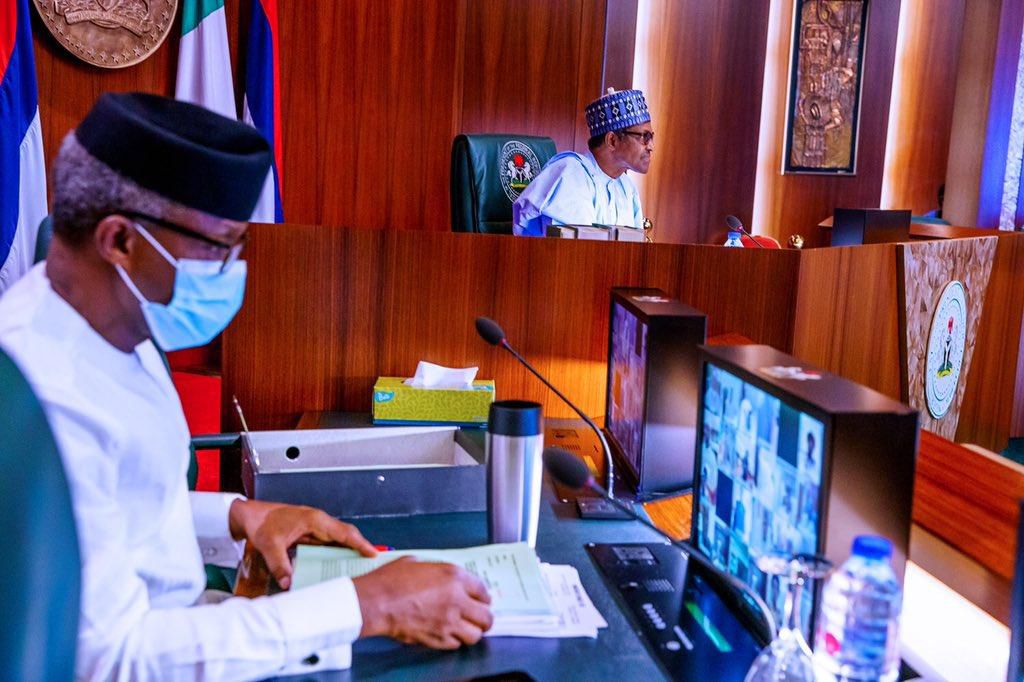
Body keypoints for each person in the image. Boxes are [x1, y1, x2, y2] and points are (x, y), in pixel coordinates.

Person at [0, 93, 492, 680]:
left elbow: (115, 507)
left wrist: (238, 515)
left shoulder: (113, 323)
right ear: (120, 241)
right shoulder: (41, 397)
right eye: (216, 248)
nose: (233, 269)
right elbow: (111, 659)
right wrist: (369, 605)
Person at [512, 87, 653, 236]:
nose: (651, 146)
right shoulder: (571, 173)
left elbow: (632, 250)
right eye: (644, 136)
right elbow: (576, 252)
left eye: (651, 137)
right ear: (612, 140)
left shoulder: (626, 186)